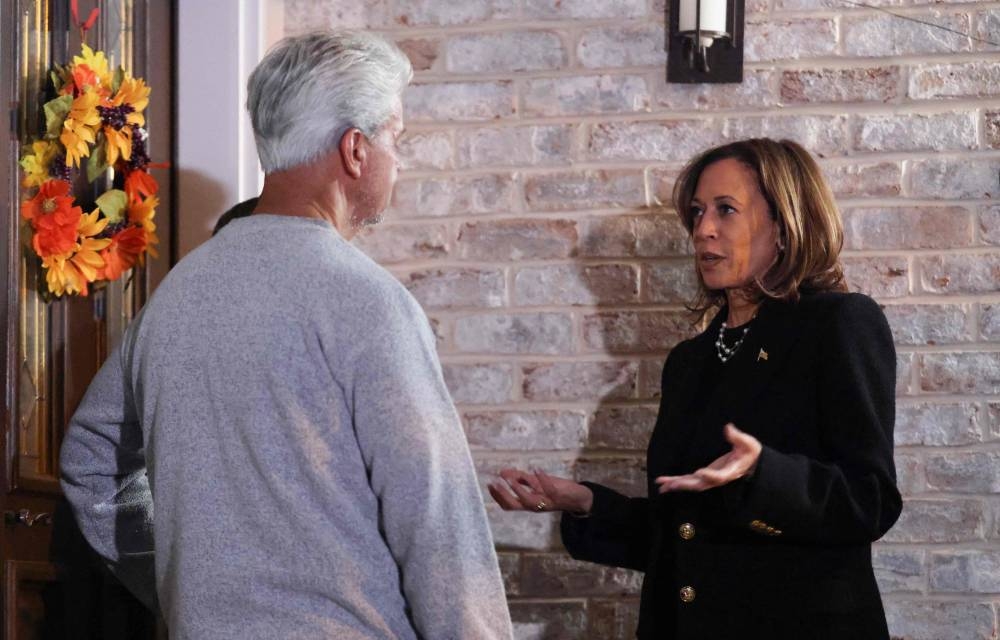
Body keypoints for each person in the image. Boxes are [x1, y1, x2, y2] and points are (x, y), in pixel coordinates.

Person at [61, 30, 513, 639]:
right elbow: (436, 521)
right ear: (355, 150)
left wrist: (178, 582)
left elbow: (91, 461)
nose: (398, 162)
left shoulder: (173, 299)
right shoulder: (369, 304)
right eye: (396, 141)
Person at [489, 138, 902, 639]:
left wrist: (762, 473)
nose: (703, 229)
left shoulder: (838, 324)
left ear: (786, 223)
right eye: (698, 212)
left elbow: (870, 502)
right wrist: (586, 504)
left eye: (726, 210)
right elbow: (683, 536)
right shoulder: (690, 362)